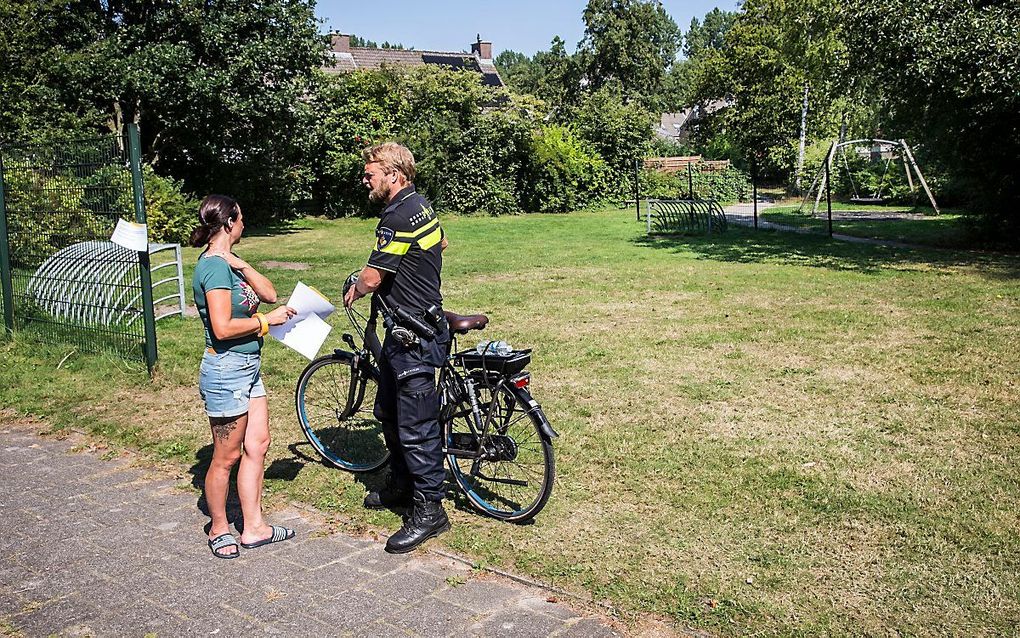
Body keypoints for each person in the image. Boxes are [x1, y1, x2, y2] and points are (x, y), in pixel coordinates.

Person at [344, 142, 451, 554]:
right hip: (405, 328)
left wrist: (359, 287)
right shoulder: (420, 206)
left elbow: (372, 277)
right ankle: (402, 485)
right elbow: (441, 245)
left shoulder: (396, 214)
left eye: (371, 173)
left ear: (394, 174)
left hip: (413, 333)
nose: (365, 179)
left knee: (416, 426)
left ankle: (430, 511)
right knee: (387, 409)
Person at [190, 194, 297, 559]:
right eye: (242, 219)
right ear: (231, 221)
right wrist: (268, 322)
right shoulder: (213, 269)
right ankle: (219, 527)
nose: (245, 224)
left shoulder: (228, 264)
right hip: (226, 369)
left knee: (259, 444)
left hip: (248, 368)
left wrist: (239, 261)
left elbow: (269, 293)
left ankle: (254, 528)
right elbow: (222, 327)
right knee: (226, 455)